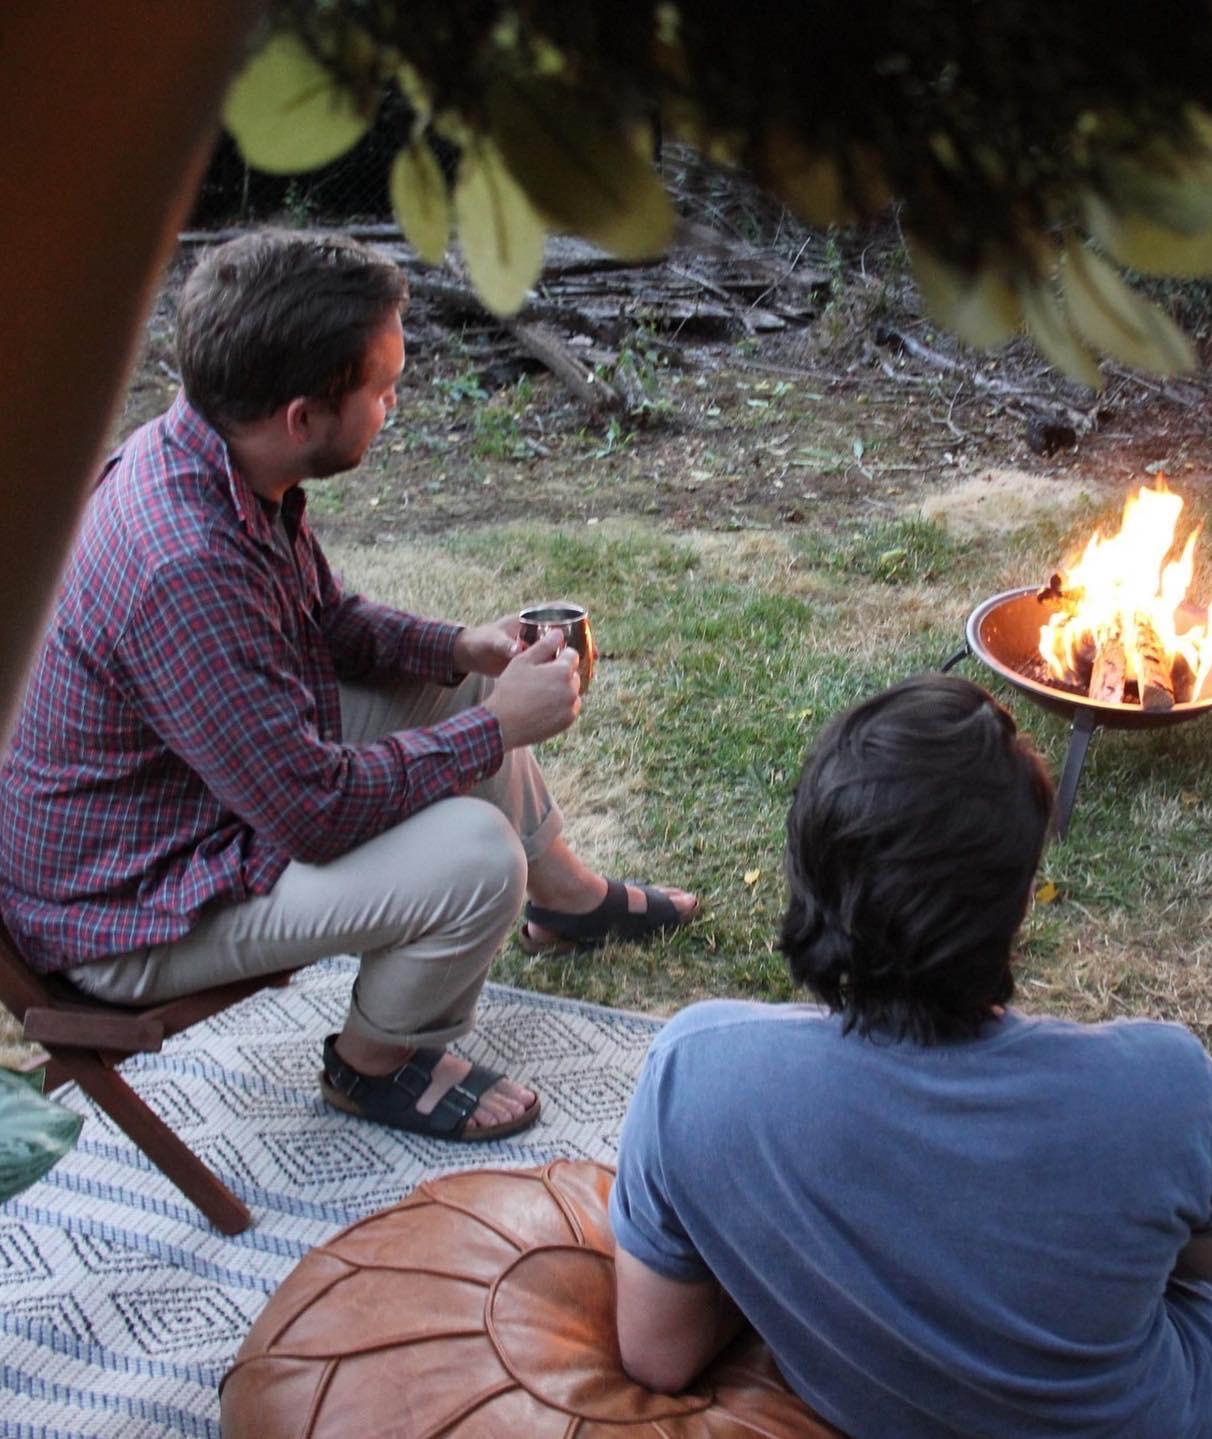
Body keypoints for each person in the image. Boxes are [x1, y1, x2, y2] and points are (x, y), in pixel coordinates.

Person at [0, 229, 697, 1143]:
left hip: (189, 799)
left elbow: (324, 620)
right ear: (301, 415)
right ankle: (377, 1061)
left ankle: (562, 898)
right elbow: (312, 812)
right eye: (382, 387)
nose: (395, 401)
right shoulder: (183, 562)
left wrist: (462, 645)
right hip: (131, 907)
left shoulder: (215, 454)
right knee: (475, 858)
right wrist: (496, 733)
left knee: (463, 691)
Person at [608, 672, 1212, 1438]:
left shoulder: (691, 1073)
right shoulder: (1159, 1085)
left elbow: (658, 1355)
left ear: (806, 869)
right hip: (1167, 1409)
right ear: (1020, 899)